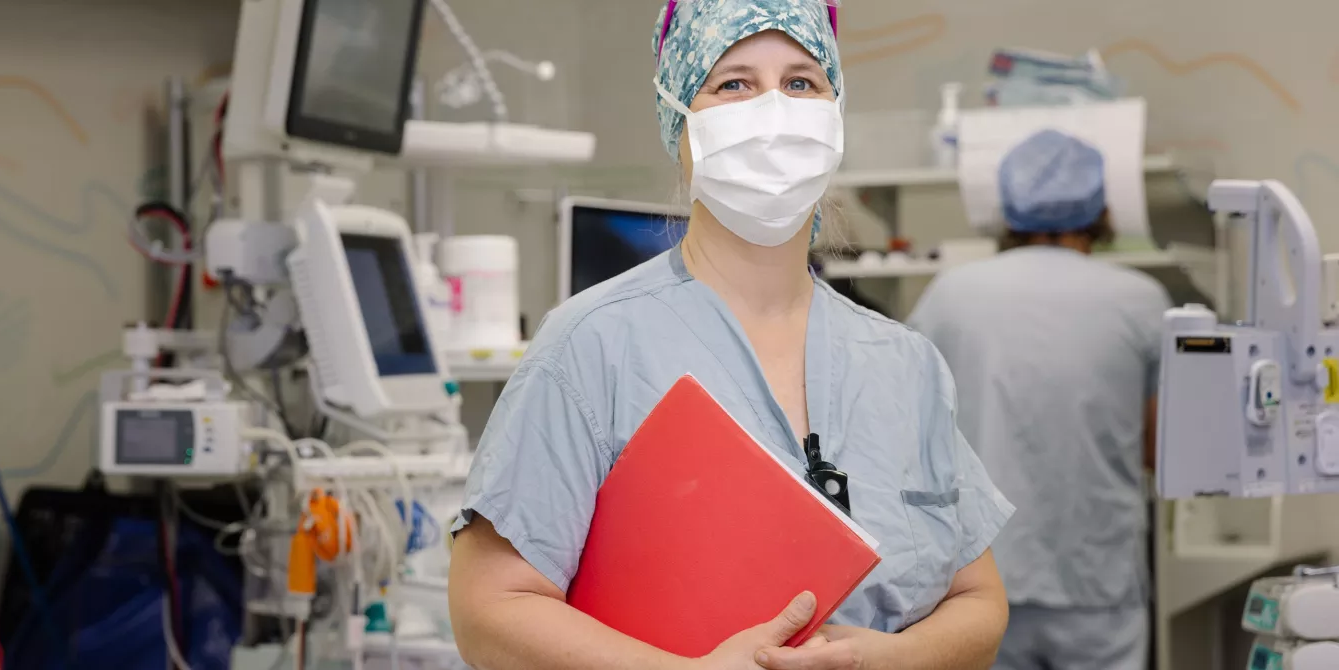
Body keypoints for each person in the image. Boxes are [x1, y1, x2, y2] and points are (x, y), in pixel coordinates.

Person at [447, 2, 1016, 669]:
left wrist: (890, 658)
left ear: (834, 116)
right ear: (679, 119)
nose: (774, 110)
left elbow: (980, 601)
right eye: (734, 84)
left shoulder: (905, 364)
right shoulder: (592, 346)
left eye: (802, 82)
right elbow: (489, 609)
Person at [908, 130, 1171, 670]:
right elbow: (1159, 449)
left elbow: (910, 429)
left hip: (978, 579)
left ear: (1008, 208)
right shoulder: (1141, 299)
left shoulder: (951, 293)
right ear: (1101, 208)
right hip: (1096, 580)